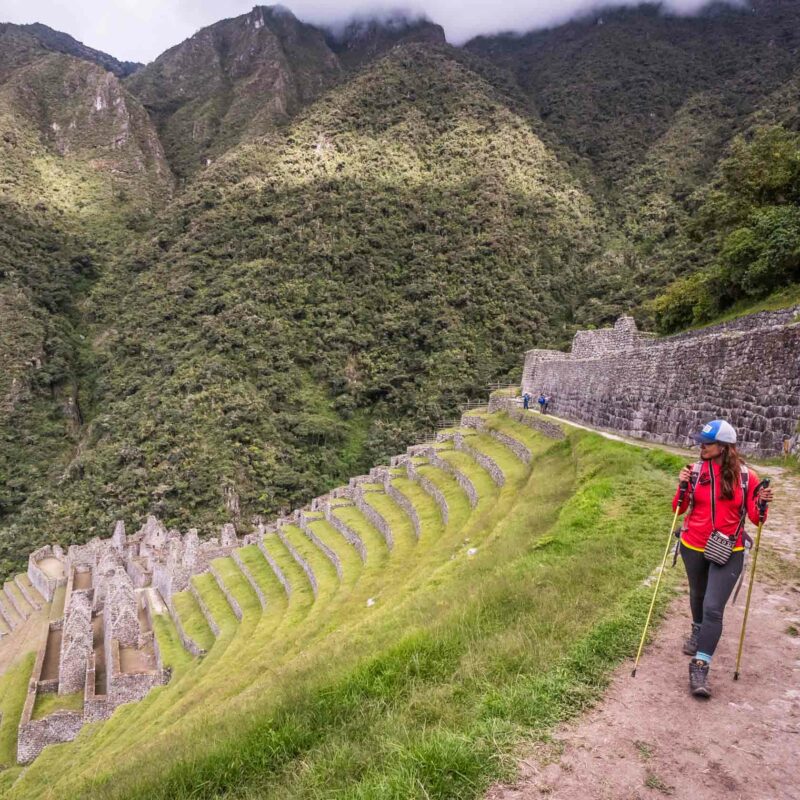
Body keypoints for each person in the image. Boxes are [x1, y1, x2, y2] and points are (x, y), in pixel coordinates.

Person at [673, 419, 773, 698]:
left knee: (714, 607)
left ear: (724, 447)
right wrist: (681, 487)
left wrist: (762, 502)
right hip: (693, 544)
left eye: (707, 443)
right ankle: (696, 629)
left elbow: (757, 518)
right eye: (701, 442)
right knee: (697, 595)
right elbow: (678, 509)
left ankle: (700, 665)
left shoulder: (746, 478)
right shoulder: (694, 472)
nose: (701, 447)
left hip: (731, 549)